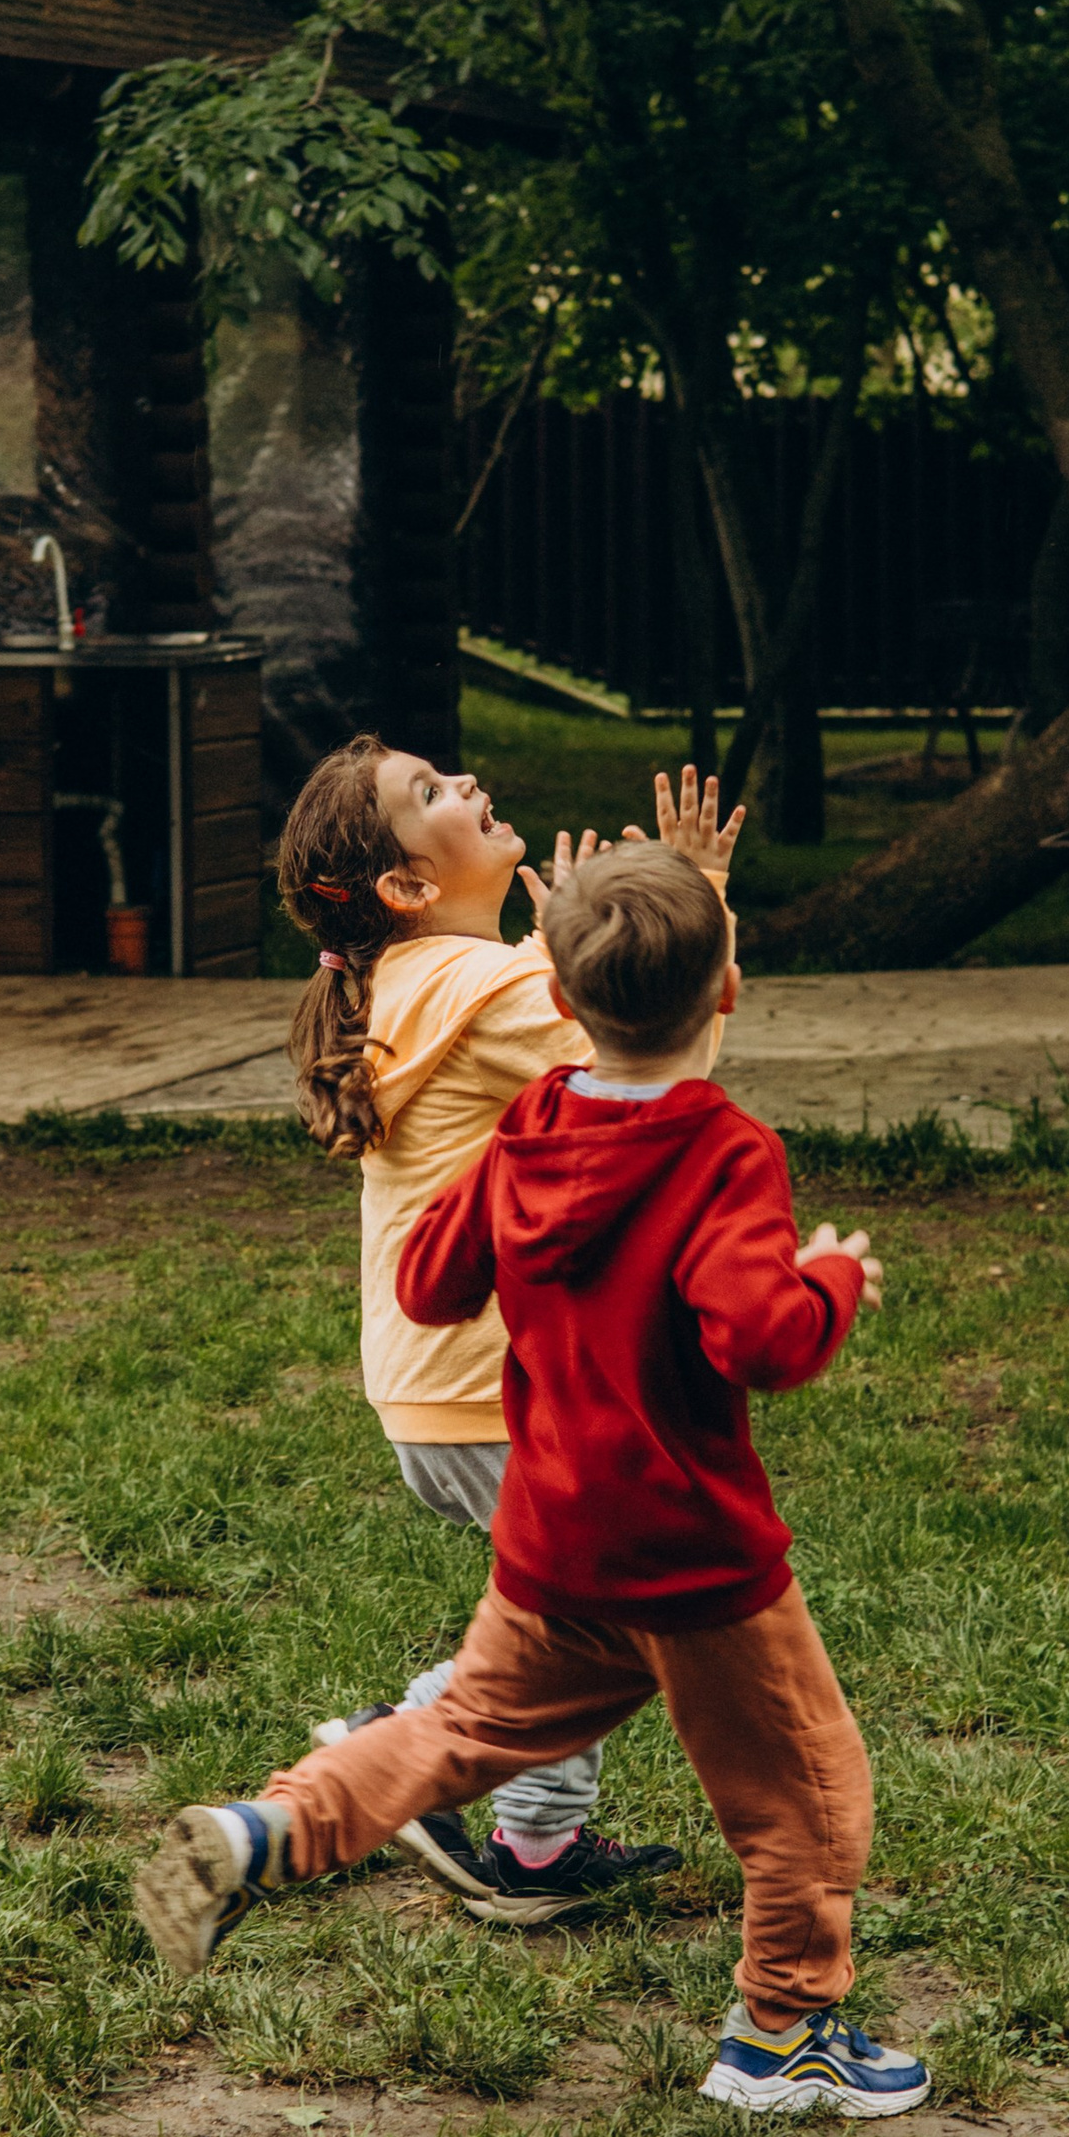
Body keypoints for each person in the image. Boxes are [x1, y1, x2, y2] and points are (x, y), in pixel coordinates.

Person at [134, 841, 930, 2119]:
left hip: (553, 1539)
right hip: (689, 1557)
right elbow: (763, 1340)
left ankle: (269, 1830)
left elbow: (430, 1281)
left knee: (457, 1734)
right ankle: (783, 2033)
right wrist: (830, 1278)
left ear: (556, 997)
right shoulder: (725, 1151)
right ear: (727, 993)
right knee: (806, 1787)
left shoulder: (529, 1129)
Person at [272, 736, 742, 1923]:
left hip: (443, 1382)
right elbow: (657, 1073)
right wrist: (690, 910)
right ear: (408, 888)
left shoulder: (437, 980)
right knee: (607, 1622)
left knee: (591, 1609)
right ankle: (412, 1734)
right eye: (429, 796)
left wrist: (578, 944)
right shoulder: (479, 990)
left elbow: (576, 1038)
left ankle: (535, 1851)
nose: (469, 786)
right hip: (497, 1384)